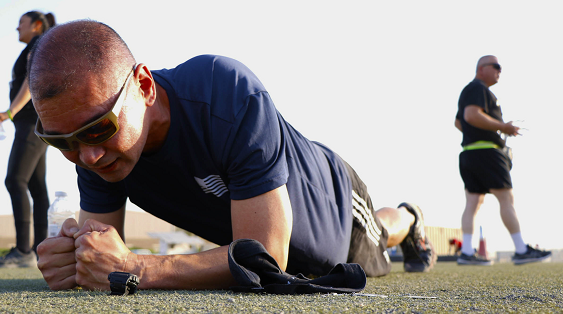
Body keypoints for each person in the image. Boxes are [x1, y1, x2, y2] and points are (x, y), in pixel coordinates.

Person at [28, 20, 436, 291]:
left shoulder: (226, 92)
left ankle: (410, 216)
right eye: (61, 142)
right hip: (269, 233)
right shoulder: (93, 147)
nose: (89, 156)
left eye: (99, 128)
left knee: (381, 235)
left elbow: (264, 256)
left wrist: (137, 267)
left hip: (333, 197)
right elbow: (101, 250)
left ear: (145, 86)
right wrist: (77, 259)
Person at [454, 55, 552, 266]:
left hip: (469, 152)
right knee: (506, 199)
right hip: (488, 153)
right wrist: (501, 128)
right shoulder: (478, 89)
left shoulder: (470, 90)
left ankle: (467, 252)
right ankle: (521, 250)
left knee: (473, 202)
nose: (500, 70)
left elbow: (459, 122)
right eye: (496, 66)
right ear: (481, 69)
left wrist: (480, 134)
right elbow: (471, 116)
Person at [0, 11, 56, 268]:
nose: (17, 29)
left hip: (31, 123)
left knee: (15, 180)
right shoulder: (36, 45)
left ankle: (24, 250)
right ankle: (40, 251)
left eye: (21, 24)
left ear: (36, 25)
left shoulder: (39, 44)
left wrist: (9, 113)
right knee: (37, 188)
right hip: (33, 124)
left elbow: (32, 80)